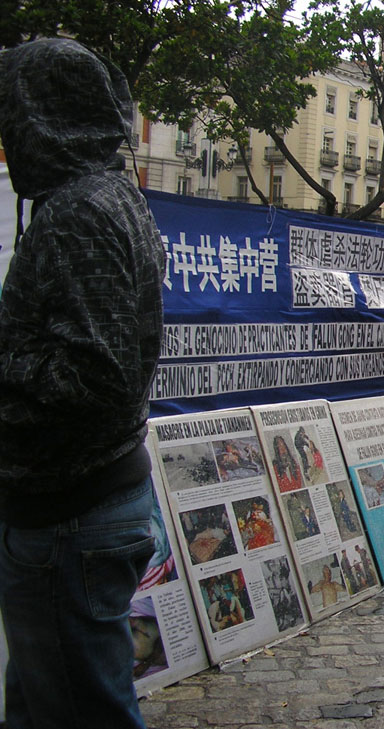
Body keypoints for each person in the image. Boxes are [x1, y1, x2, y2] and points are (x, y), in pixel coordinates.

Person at [0, 39, 166, 729]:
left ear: (41, 114)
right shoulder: (110, 196)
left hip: (71, 512)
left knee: (79, 709)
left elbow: (99, 376)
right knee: (42, 705)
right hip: (79, 502)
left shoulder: (78, 212)